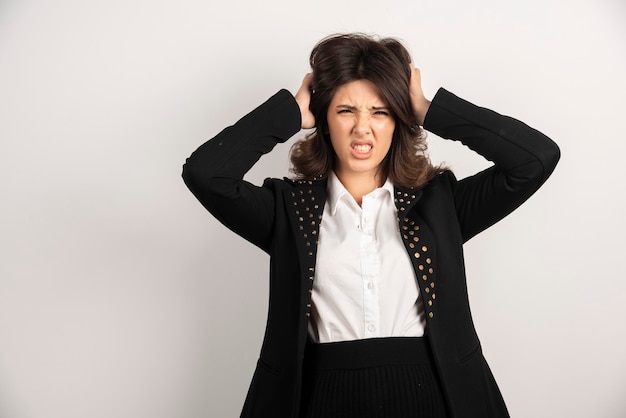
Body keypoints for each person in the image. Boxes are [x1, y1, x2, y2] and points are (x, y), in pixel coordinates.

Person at [182, 33, 560, 418]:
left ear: (399, 121)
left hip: (433, 398)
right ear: (324, 119)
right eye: (346, 110)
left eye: (380, 112)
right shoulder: (287, 211)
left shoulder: (441, 205)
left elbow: (536, 159)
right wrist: (289, 113)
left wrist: (430, 110)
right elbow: (204, 173)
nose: (363, 128)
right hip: (321, 401)